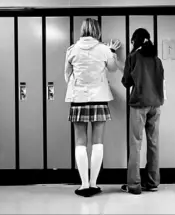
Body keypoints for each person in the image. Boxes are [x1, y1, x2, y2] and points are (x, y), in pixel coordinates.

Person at [64, 18, 123, 197]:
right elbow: (113, 69)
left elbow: (67, 76)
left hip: (78, 100)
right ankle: (94, 183)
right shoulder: (104, 50)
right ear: (97, 30)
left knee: (80, 143)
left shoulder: (72, 50)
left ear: (82, 30)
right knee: (98, 142)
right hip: (99, 99)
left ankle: (83, 185)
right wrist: (112, 51)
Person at [121, 28, 165, 195]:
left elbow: (126, 81)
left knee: (136, 143)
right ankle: (153, 182)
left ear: (135, 41)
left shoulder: (133, 57)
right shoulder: (157, 59)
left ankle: (134, 184)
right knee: (153, 143)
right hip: (156, 105)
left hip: (139, 105)